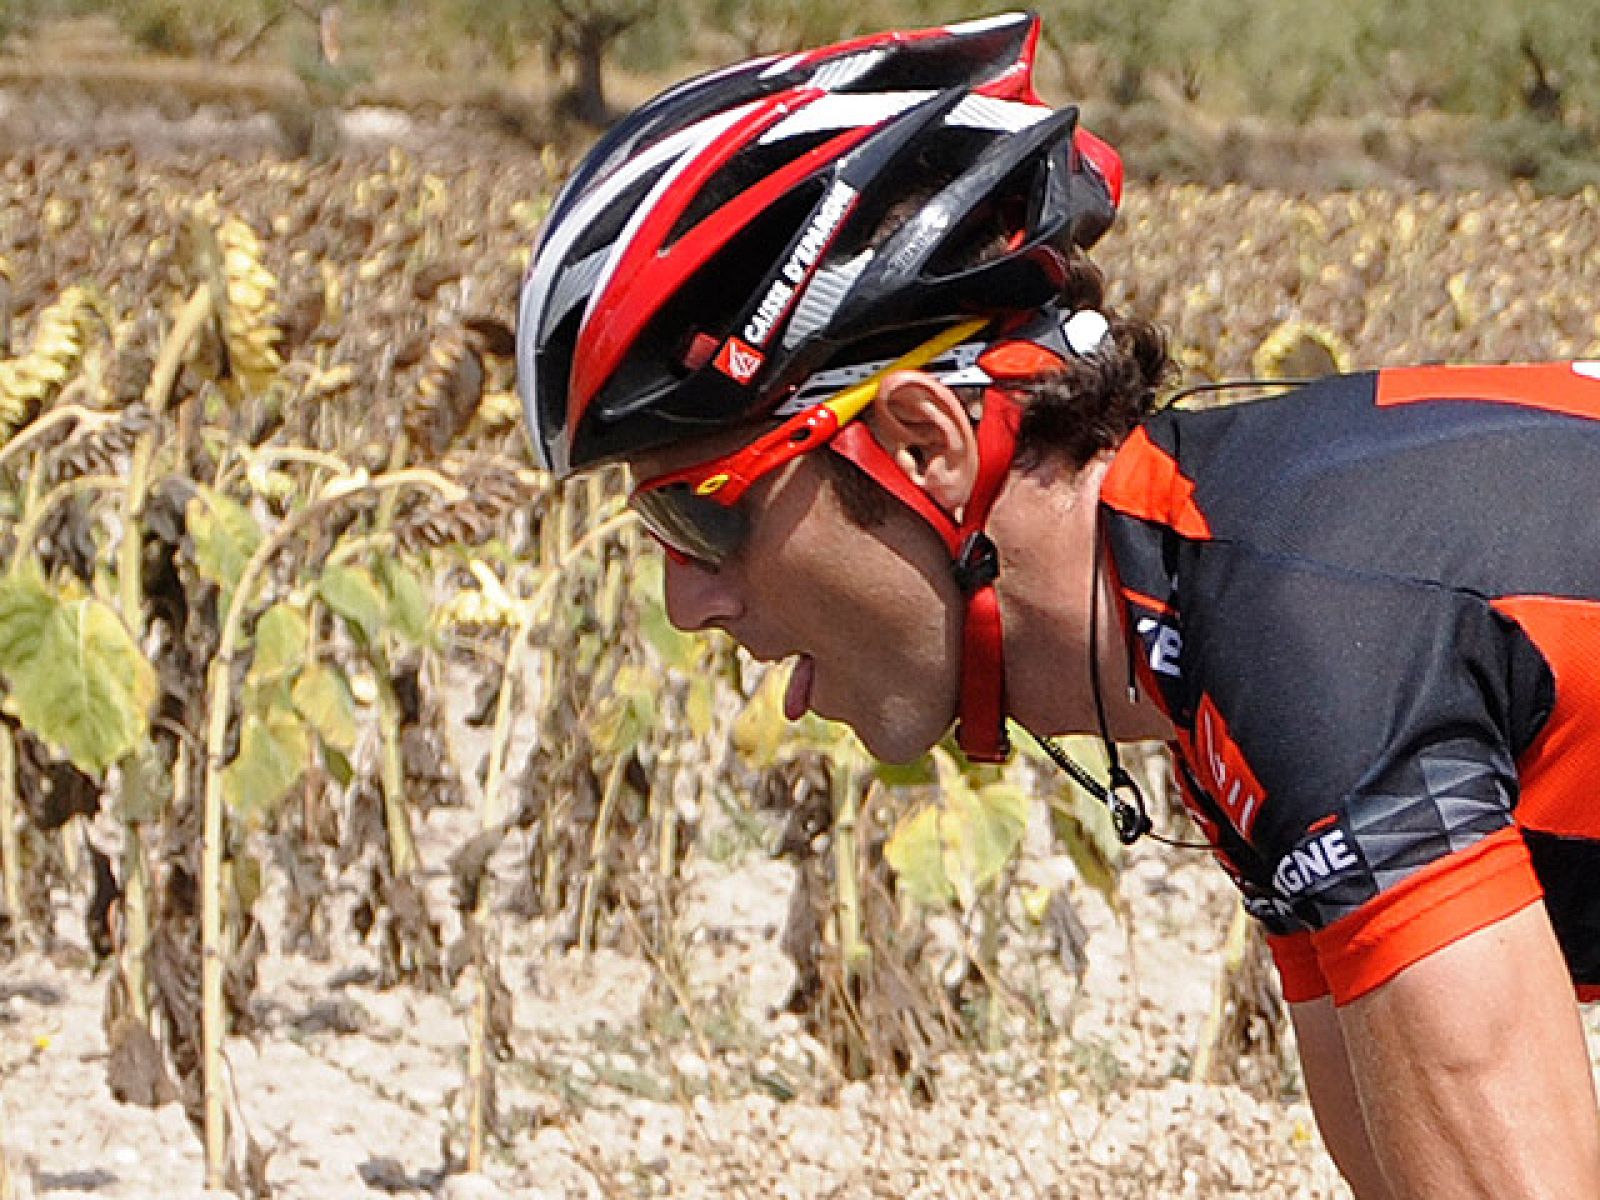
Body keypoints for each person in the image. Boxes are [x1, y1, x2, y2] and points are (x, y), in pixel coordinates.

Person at [515, 13, 1600, 1198]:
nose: (686, 602)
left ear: (919, 441)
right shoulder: (1219, 641)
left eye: (700, 513)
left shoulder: (1303, 636)